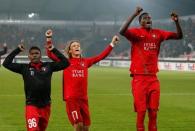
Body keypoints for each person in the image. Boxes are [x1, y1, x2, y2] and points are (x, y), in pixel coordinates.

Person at [119, 7, 183, 131]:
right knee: (141, 113)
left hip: (153, 79)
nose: (148, 19)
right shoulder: (136, 33)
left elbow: (179, 36)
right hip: (139, 79)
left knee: (153, 113)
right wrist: (134, 14)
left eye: (149, 18)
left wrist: (176, 21)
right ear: (140, 22)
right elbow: (121, 31)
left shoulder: (158, 33)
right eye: (145, 18)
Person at [45, 29, 119, 131]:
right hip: (72, 98)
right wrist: (49, 39)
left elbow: (100, 57)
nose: (77, 47)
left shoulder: (86, 62)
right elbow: (50, 54)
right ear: (70, 50)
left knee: (85, 128)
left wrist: (112, 44)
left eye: (78, 45)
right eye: (74, 46)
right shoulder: (65, 62)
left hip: (83, 99)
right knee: (78, 125)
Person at [3, 41, 69, 131]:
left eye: (37, 53)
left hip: (46, 106)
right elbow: (6, 63)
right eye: (32, 54)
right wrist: (17, 50)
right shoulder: (24, 68)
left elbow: (66, 63)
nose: (34, 55)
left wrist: (53, 49)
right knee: (33, 129)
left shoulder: (48, 66)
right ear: (29, 56)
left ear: (40, 55)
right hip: (31, 106)